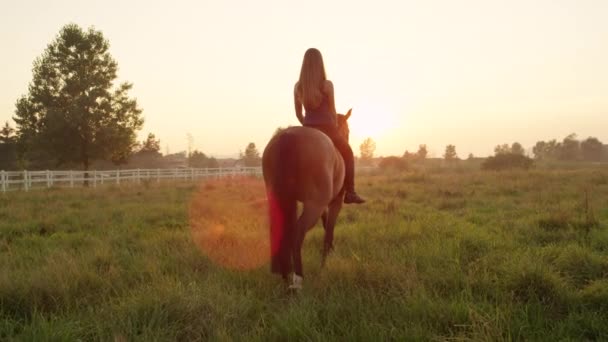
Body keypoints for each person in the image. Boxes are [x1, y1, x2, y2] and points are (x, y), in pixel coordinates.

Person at [293, 48, 365, 204]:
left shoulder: (298, 87)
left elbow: (299, 115)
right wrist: (332, 127)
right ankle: (350, 192)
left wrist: (308, 127)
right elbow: (332, 112)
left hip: (307, 131)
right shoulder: (327, 85)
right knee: (347, 152)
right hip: (329, 130)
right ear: (320, 64)